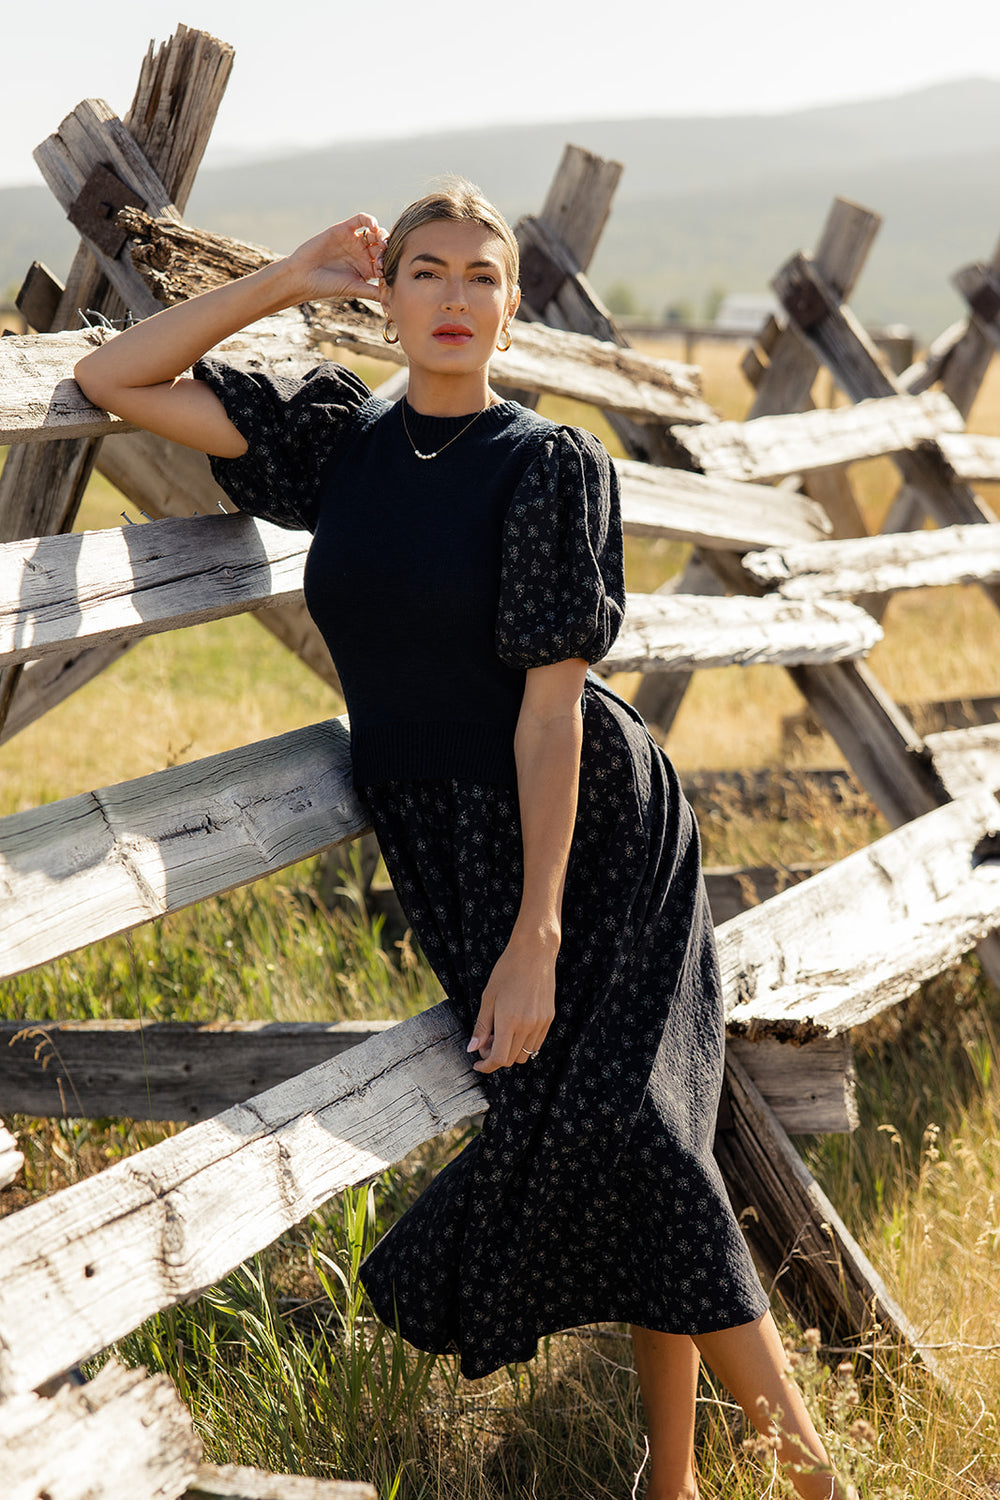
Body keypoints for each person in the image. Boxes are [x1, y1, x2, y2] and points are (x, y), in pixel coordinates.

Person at [75, 179, 844, 1500]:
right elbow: (113, 377)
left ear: (511, 308)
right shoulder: (337, 442)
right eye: (424, 271)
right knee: (627, 1134)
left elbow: (550, 715)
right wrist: (287, 280)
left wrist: (538, 934)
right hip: (444, 839)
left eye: (481, 277)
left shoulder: (548, 465)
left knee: (638, 1136)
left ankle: (809, 1480)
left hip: (588, 837)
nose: (452, 298)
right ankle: (673, 1486)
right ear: (385, 298)